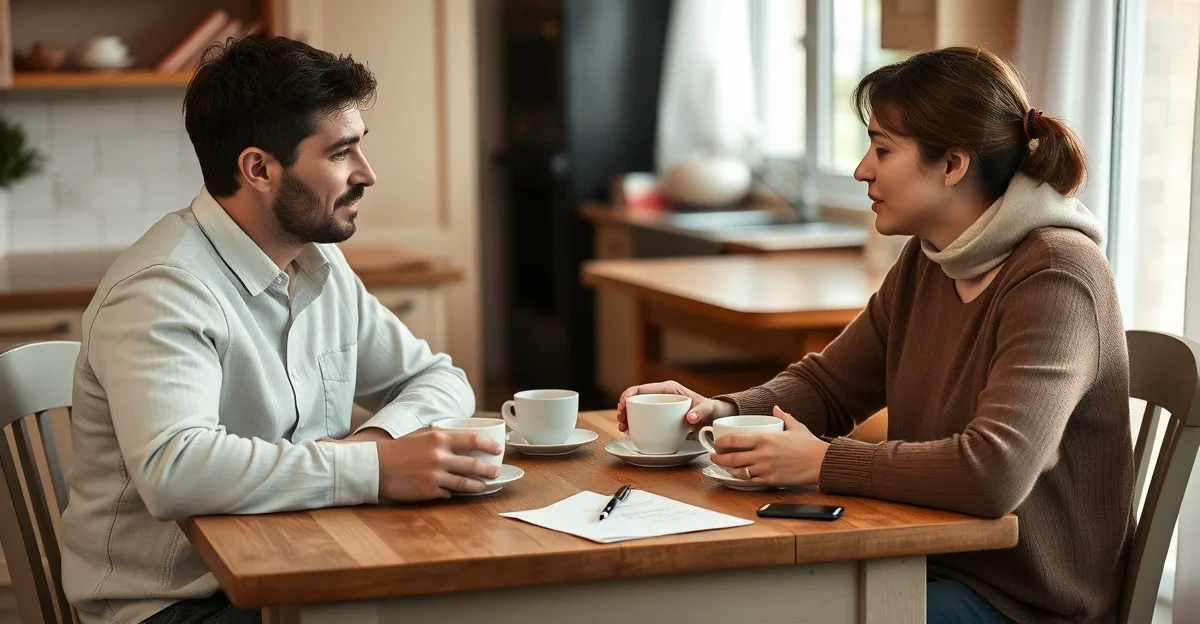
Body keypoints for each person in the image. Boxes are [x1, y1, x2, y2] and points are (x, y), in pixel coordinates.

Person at [618, 47, 1133, 624]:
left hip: (1021, 601)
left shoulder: (1056, 275)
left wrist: (821, 463)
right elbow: (832, 387)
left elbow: (996, 472)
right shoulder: (931, 258)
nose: (863, 169)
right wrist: (717, 410)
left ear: (952, 165)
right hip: (924, 559)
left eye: (883, 149)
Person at [61, 36, 502, 624]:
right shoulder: (164, 288)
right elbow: (175, 469)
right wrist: (370, 470)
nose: (367, 174)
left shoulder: (319, 265)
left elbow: (436, 378)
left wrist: (377, 445)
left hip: (298, 565)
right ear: (259, 169)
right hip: (174, 606)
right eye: (341, 152)